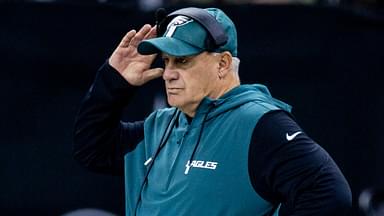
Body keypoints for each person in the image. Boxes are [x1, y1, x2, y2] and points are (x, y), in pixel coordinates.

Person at [73, 7, 352, 216]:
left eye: (181, 60)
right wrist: (112, 82)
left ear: (222, 64)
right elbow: (92, 149)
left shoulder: (258, 123)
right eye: (166, 61)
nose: (168, 73)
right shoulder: (160, 125)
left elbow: (330, 193)